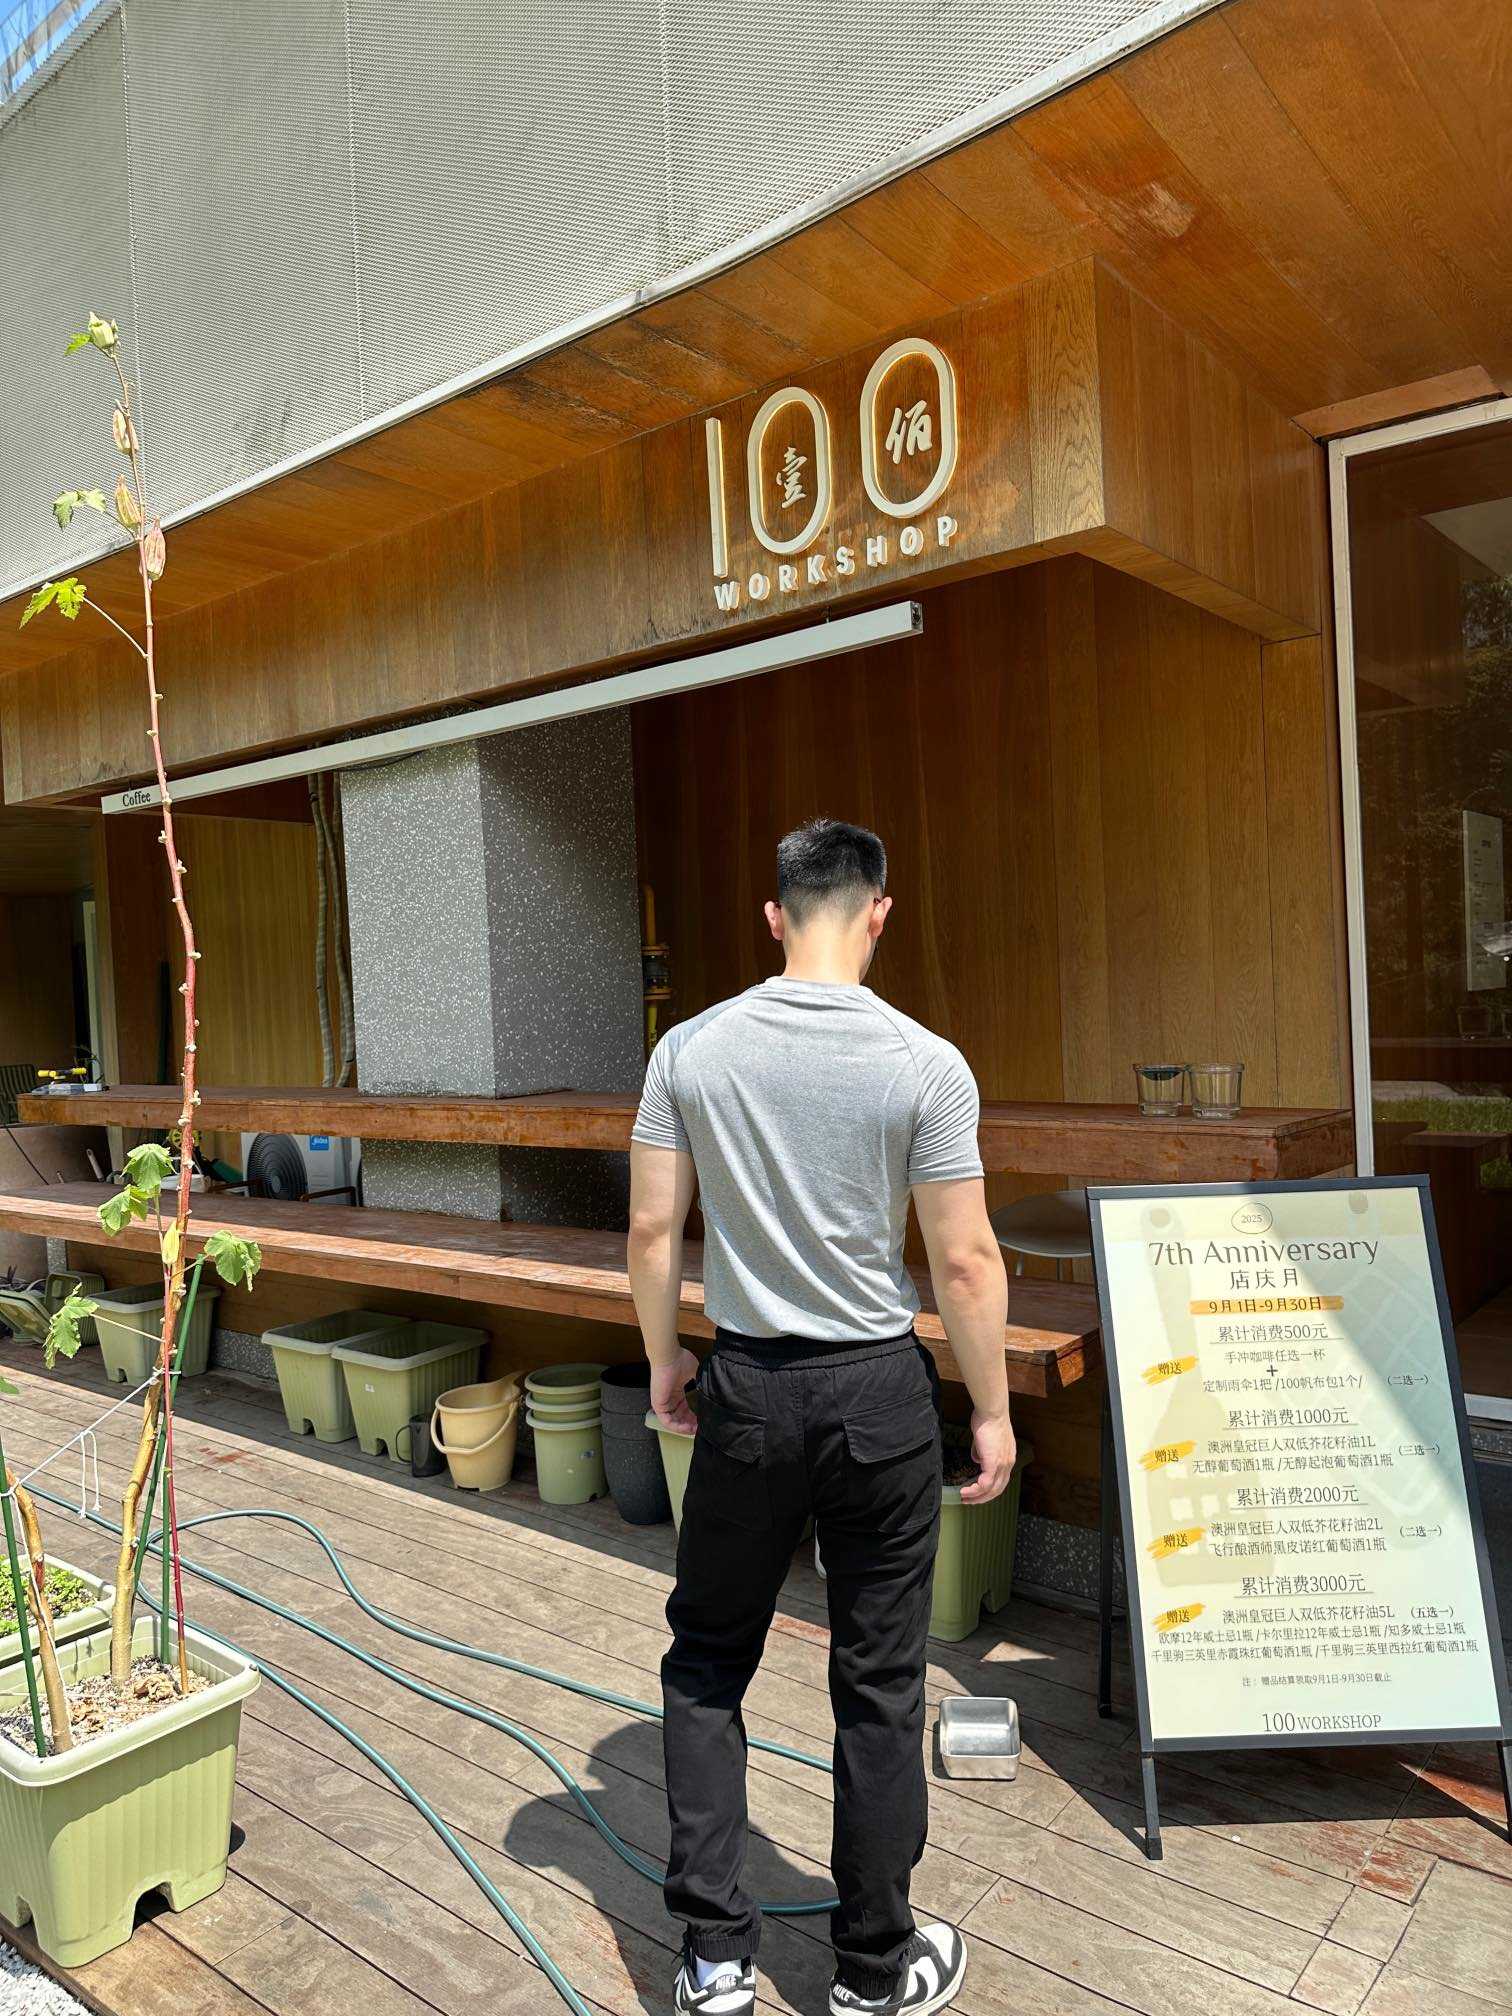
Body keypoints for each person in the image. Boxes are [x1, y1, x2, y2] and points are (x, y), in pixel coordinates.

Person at [627, 817, 1015, 2016]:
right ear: (880, 913)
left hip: (746, 1386)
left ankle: (714, 1960)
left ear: (774, 915)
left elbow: (651, 1230)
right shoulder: (926, 1063)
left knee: (707, 1662)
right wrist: (992, 1410)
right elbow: (965, 1264)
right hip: (879, 1399)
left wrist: (664, 1361)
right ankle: (871, 1971)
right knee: (881, 1680)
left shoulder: (688, 1051)